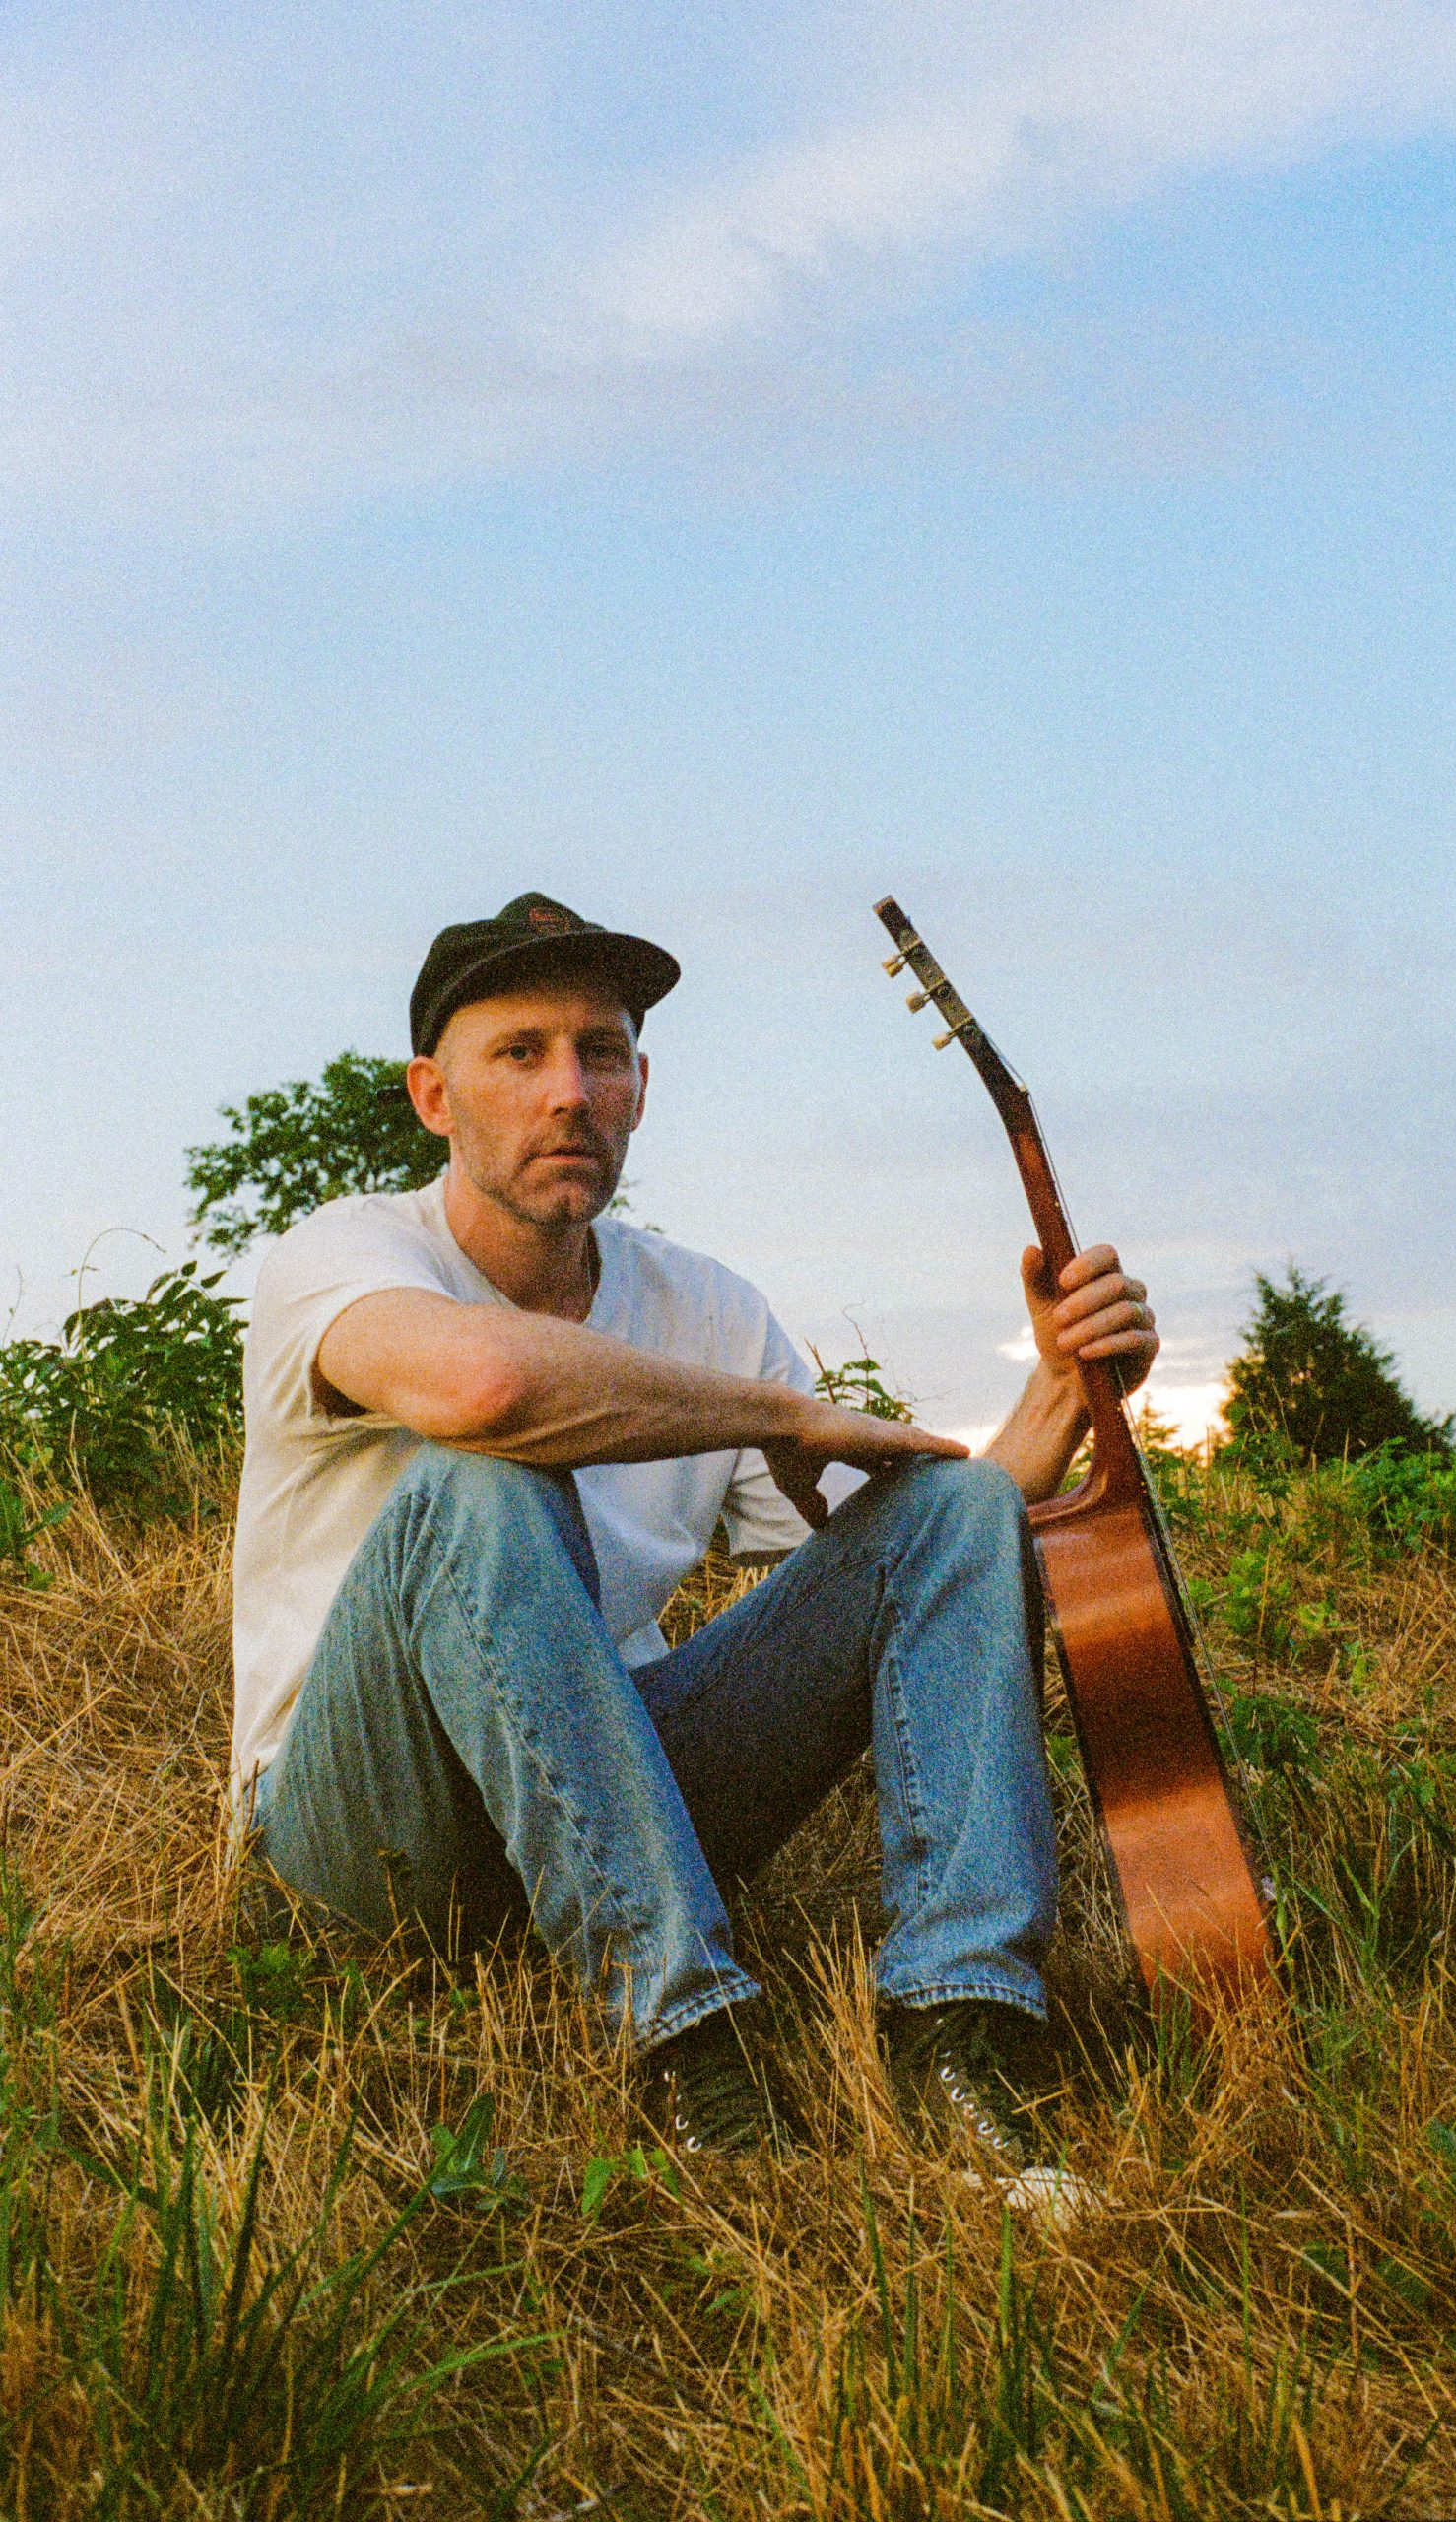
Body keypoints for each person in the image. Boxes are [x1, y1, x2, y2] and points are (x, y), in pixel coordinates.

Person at [234, 892, 1158, 2175]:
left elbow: (916, 1566)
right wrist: (785, 1411)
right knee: (482, 1481)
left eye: (601, 1053)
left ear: (640, 1089)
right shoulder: (341, 1254)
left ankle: (963, 2022)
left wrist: (1058, 1392)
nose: (570, 1092)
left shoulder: (707, 1307)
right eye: (519, 1054)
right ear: (433, 1098)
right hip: (364, 1848)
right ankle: (691, 2048)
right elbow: (487, 1390)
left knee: (950, 1504)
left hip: (602, 1798)